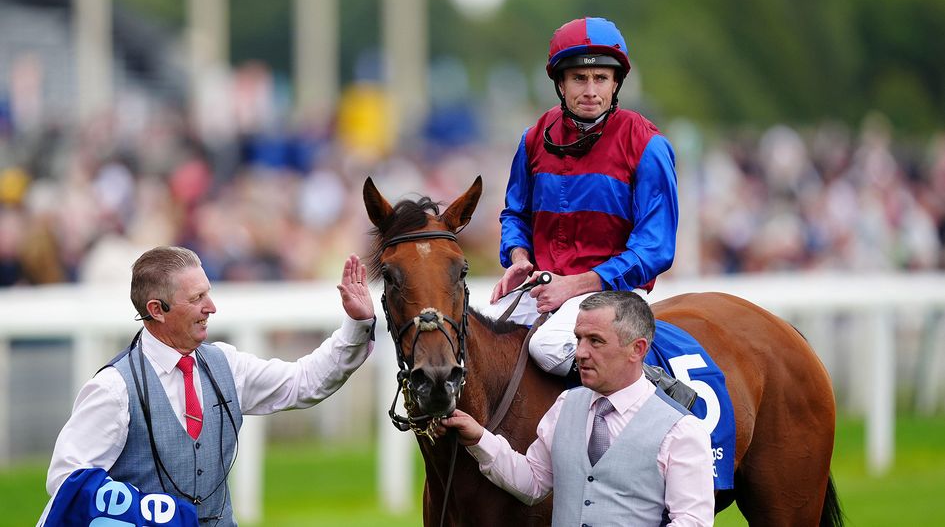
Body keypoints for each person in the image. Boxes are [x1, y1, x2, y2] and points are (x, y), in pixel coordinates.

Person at [40, 246, 375, 525]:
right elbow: (66, 479)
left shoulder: (226, 363)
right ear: (157, 310)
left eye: (208, 293)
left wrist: (356, 324)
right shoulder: (114, 388)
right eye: (197, 297)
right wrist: (149, 515)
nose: (211, 307)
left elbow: (305, 382)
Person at [483, 16, 679, 378]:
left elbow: (654, 250)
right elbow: (515, 214)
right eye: (579, 78)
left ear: (616, 82)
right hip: (545, 284)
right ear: (560, 83)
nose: (590, 90)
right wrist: (520, 257)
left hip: (617, 292)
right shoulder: (534, 138)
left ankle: (644, 390)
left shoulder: (647, 145)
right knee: (478, 339)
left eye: (600, 78)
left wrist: (576, 284)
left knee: (548, 346)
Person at [442, 291, 714, 526]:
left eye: (595, 341)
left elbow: (692, 521)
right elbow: (533, 482)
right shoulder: (565, 405)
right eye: (578, 338)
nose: (580, 353)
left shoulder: (681, 430)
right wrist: (479, 438)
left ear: (637, 349)